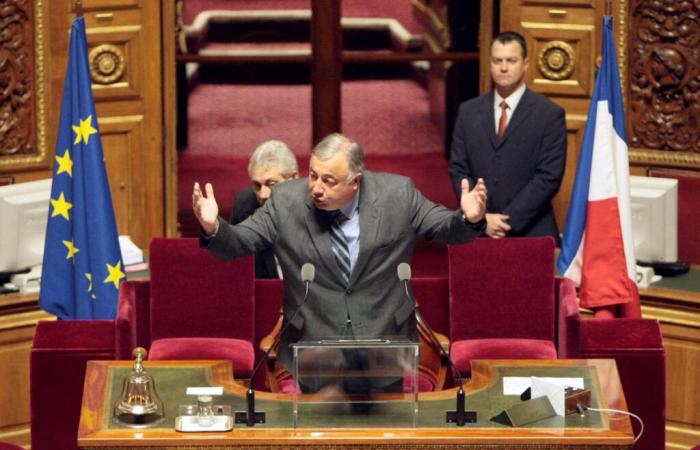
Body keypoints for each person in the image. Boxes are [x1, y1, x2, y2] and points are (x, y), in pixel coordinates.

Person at [193, 133, 487, 373]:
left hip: (384, 345)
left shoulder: (397, 195)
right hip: (312, 349)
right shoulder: (285, 201)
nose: (316, 189)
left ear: (356, 180)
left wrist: (468, 219)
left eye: (328, 181)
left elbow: (445, 228)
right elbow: (241, 241)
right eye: (313, 176)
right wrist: (213, 227)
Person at [448, 31, 566, 244]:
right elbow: (458, 168)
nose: (503, 68)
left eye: (511, 60)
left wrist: (505, 221)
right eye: (497, 61)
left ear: (526, 63)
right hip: (477, 232)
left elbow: (548, 177)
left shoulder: (549, 114)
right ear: (490, 63)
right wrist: (482, 218)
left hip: (532, 233)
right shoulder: (468, 112)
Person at [231, 140, 299, 278]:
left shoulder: (318, 206)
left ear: (293, 178)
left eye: (272, 184)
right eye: (257, 185)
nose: (263, 194)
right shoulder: (245, 207)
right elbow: (236, 269)